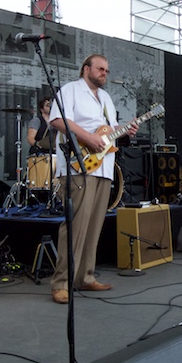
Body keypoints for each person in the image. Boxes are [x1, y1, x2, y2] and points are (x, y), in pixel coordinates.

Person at [48, 54, 138, 304]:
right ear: (86, 69)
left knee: (94, 227)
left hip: (104, 169)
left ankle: (85, 277)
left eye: (107, 71)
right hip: (78, 168)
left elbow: (109, 134)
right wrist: (87, 137)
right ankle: (61, 282)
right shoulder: (71, 90)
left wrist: (126, 130)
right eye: (100, 69)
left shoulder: (107, 99)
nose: (104, 74)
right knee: (75, 226)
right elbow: (57, 120)